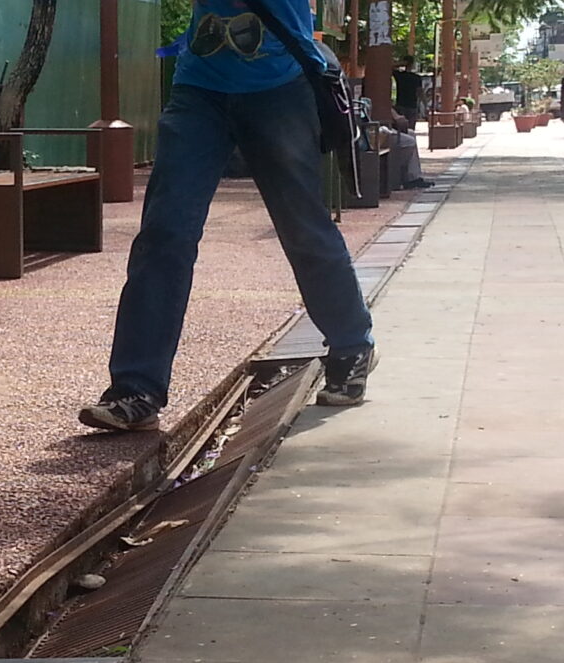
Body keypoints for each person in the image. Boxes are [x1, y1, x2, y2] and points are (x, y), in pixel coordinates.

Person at [78, 1, 376, 431]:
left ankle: (351, 345)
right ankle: (136, 387)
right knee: (165, 232)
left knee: (301, 225)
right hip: (200, 86)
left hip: (281, 84)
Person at [382, 108, 434, 189]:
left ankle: (413, 177)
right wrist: (396, 117)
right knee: (409, 142)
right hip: (380, 128)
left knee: (411, 133)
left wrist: (397, 116)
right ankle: (399, 174)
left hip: (386, 126)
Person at [393, 55, 424, 131]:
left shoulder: (399, 75)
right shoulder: (416, 77)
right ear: (413, 64)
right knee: (411, 129)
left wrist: (401, 63)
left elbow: (389, 67)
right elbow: (420, 92)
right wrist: (425, 104)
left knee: (400, 129)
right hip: (412, 106)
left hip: (401, 104)